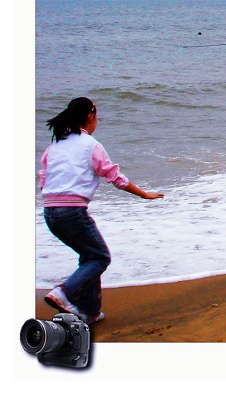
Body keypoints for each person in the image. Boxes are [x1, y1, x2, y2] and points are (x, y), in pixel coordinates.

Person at [38, 97, 163, 324]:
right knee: (100, 257)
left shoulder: (54, 147)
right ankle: (63, 293)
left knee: (89, 256)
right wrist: (144, 194)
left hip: (50, 213)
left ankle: (90, 312)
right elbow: (115, 177)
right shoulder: (91, 145)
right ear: (90, 117)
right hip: (72, 213)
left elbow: (43, 181)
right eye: (97, 116)